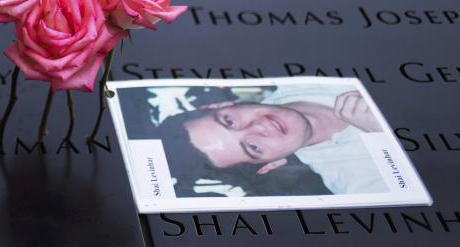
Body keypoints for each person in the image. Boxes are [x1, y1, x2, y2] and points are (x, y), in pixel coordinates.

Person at [150, 87, 386, 196]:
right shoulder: (363, 184)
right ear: (272, 164)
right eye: (252, 147)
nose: (257, 128)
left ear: (220, 105)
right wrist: (383, 138)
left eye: (230, 121)